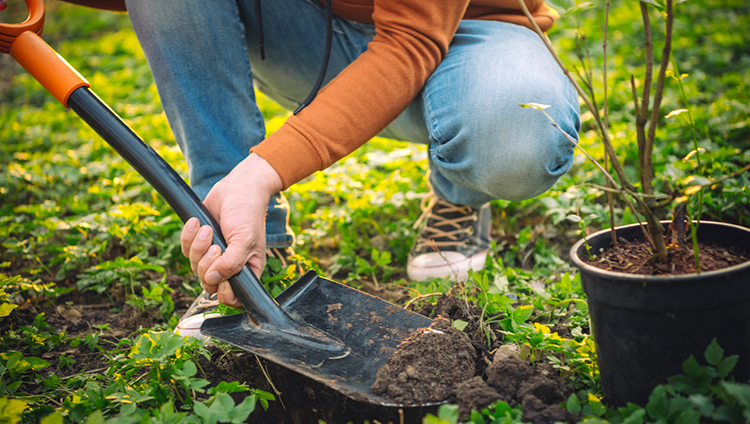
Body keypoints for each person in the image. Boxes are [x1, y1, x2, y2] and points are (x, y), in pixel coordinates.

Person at [69, 0, 580, 336]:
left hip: (472, 32)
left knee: (516, 135)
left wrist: (263, 171)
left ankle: (459, 196)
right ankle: (244, 246)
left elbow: (409, 40)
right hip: (304, 27)